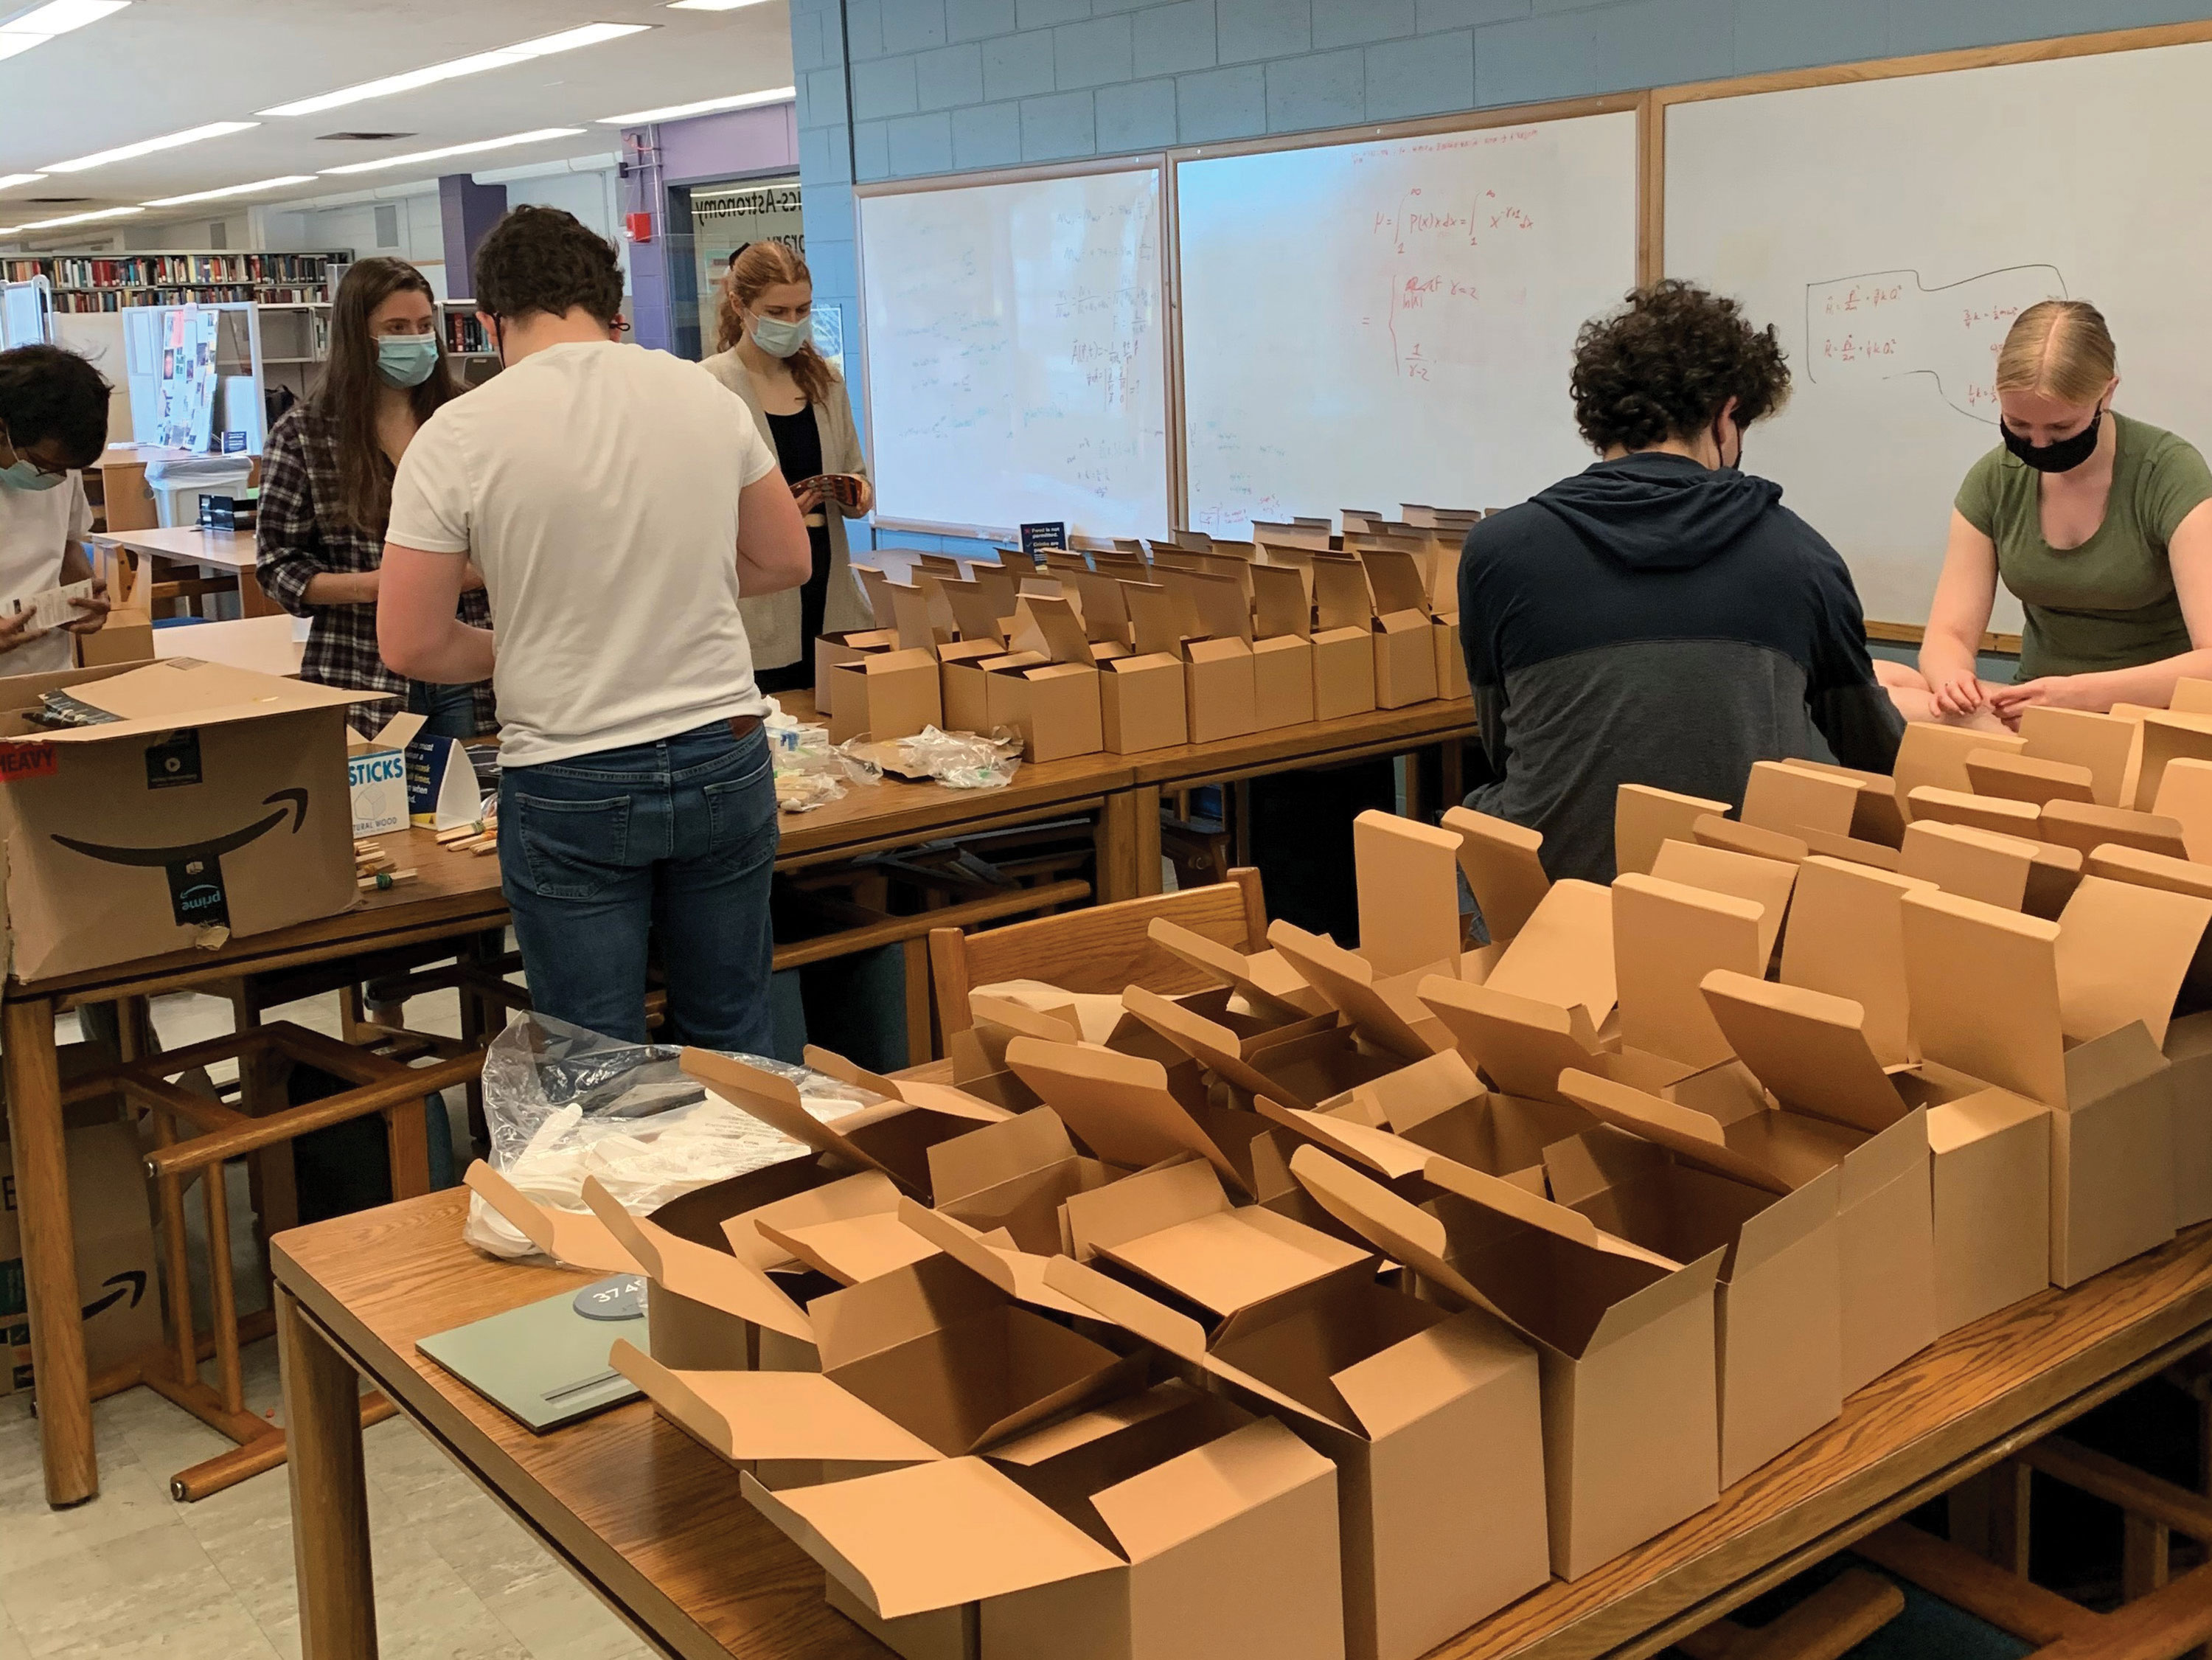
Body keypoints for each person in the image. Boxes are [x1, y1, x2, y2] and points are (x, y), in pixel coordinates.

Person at [376, 206, 810, 1051]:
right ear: (608, 303)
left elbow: (411, 642)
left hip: (573, 767)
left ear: (492, 319)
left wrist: (526, 646)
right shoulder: (700, 393)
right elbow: (784, 559)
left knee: (593, 1053)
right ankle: (747, 1181)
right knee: (731, 1030)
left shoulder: (457, 433)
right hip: (721, 744)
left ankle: (621, 1185)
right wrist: (678, 598)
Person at [1458, 280, 1904, 885]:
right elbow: (1873, 757)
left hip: (1553, 910)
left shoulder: (1497, 552)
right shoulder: (1800, 555)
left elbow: (1503, 739)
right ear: (1726, 416)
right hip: (1740, 911)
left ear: (1600, 417)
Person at [1893, 299, 2212, 727]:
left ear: (2107, 392)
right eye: (2019, 426)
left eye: (2061, 428)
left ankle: (2006, 738)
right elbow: (1947, 636)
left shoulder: (2170, 473)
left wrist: (2078, 695)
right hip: (2032, 707)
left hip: (2145, 717)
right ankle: (2003, 734)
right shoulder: (1994, 479)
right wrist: (1954, 682)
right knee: (1877, 678)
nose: (2039, 445)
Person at [258, 256, 493, 738]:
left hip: (472, 665)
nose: (415, 338)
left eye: (425, 325)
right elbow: (278, 567)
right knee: (377, 809)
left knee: (476, 803)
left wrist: (471, 571)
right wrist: (378, 584)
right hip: (362, 668)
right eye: (397, 327)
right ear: (358, 338)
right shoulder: (305, 434)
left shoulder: (469, 417)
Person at [700, 241, 873, 694]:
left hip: (830, 591)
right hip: (760, 605)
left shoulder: (825, 382)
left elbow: (857, 471)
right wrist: (772, 518)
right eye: (777, 311)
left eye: (803, 310)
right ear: (740, 305)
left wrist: (858, 492)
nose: (793, 324)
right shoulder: (708, 385)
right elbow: (698, 511)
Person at [0, 344, 111, 670]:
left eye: (70, 468)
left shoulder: (60, 463)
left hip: (46, 673)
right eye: (47, 464)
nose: (60, 478)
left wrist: (87, 598)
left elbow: (65, 543)